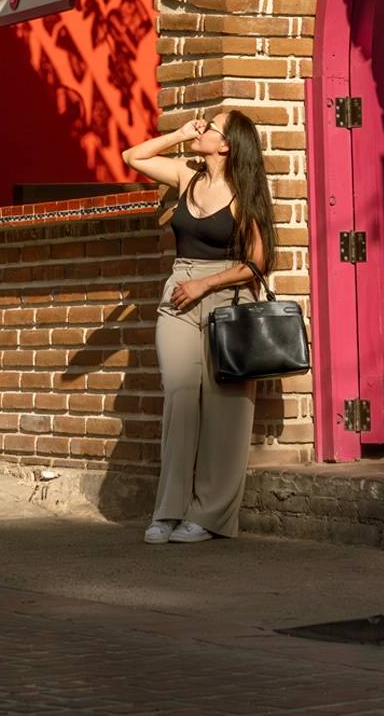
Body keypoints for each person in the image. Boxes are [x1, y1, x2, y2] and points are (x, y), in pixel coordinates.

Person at [122, 109, 277, 545]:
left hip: (227, 296)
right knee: (180, 396)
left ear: (227, 145)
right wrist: (178, 133)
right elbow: (132, 156)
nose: (201, 127)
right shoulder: (185, 175)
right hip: (179, 295)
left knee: (227, 408)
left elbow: (258, 263)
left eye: (210, 126)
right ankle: (167, 511)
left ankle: (210, 517)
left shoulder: (245, 192)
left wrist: (205, 283)